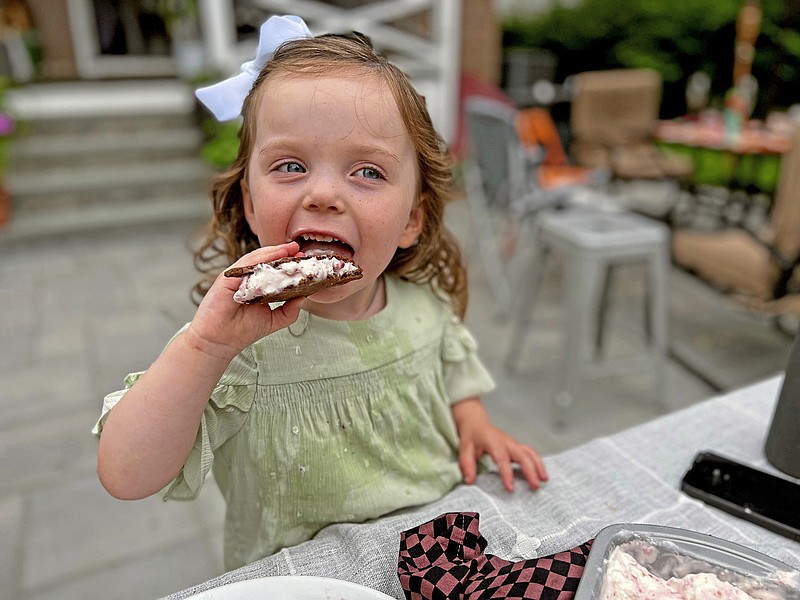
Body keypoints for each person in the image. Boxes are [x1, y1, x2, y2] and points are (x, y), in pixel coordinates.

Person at [94, 15, 548, 572]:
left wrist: (474, 422)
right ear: (251, 203)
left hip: (435, 561)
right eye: (290, 166)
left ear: (411, 219)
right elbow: (125, 473)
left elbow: (453, 370)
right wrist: (203, 349)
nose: (325, 194)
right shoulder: (233, 349)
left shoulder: (421, 306)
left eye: (367, 172)